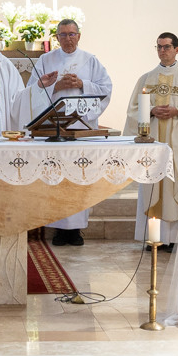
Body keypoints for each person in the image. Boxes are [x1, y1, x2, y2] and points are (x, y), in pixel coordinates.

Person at [18, 19, 113, 246]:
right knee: (55, 176)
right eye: (63, 34)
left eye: (72, 34)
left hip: (80, 127)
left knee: (79, 177)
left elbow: (106, 89)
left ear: (79, 36)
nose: (68, 38)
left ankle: (75, 230)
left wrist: (82, 84)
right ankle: (59, 230)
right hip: (53, 126)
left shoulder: (90, 60)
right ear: (56, 37)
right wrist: (56, 86)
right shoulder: (45, 60)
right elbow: (31, 91)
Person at [121, 32, 178, 248]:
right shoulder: (146, 78)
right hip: (152, 142)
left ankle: (174, 239)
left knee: (174, 186)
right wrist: (151, 110)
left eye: (167, 47)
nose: (162, 51)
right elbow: (133, 110)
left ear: (177, 50)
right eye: (159, 47)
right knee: (152, 185)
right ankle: (154, 237)